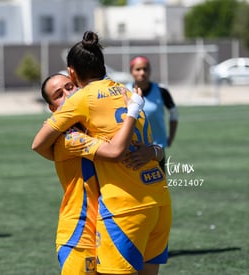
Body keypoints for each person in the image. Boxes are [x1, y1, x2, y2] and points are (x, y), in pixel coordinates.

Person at [33, 31, 172, 275]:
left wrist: (153, 151)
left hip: (112, 217)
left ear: (74, 77)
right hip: (81, 230)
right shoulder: (67, 138)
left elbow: (150, 148)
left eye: (69, 87)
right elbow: (40, 146)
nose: (68, 95)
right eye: (59, 95)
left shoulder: (95, 116)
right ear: (52, 107)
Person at [127, 56, 179, 172]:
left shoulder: (161, 90)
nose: (142, 72)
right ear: (131, 71)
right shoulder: (124, 91)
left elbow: (174, 113)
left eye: (145, 69)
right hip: (132, 150)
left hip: (157, 149)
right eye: (138, 69)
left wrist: (171, 137)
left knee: (158, 186)